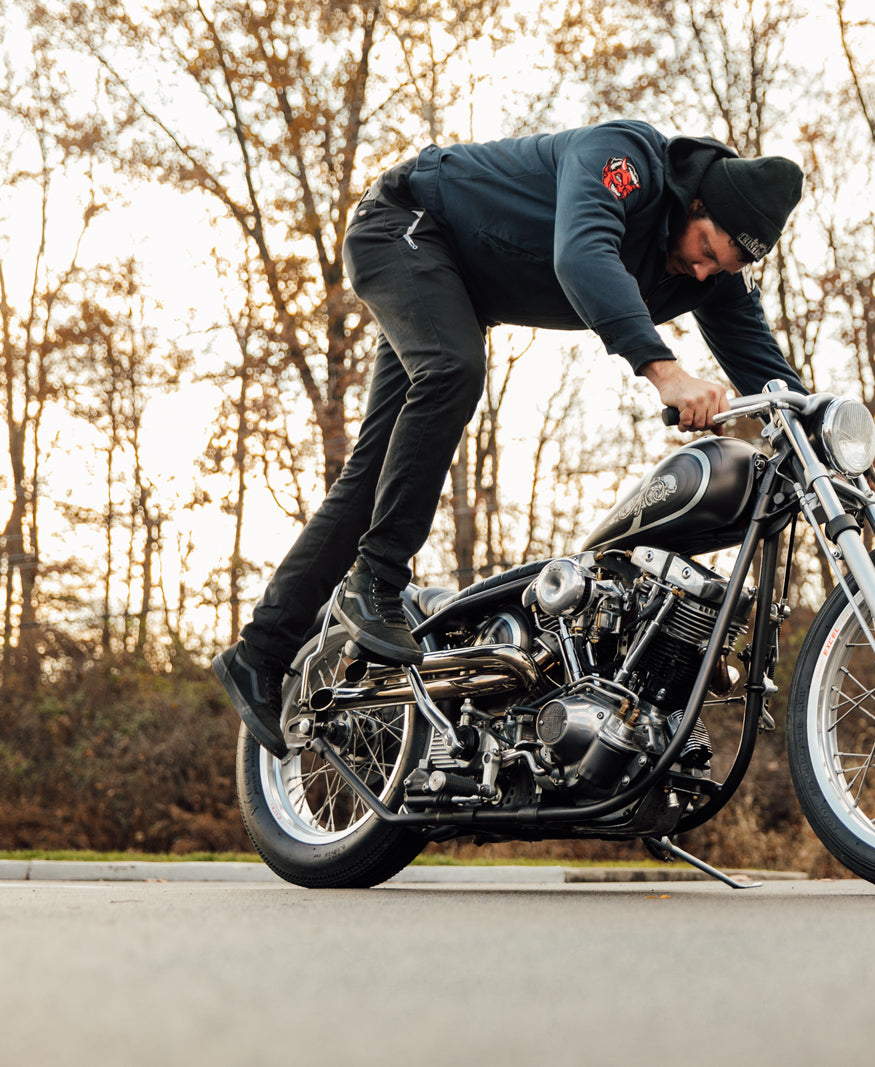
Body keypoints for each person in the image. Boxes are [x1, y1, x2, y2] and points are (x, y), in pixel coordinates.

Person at [212, 119, 806, 758]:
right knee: (453, 372)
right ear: (696, 204)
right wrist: (663, 369)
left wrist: (816, 432)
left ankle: (261, 654)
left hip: (452, 289)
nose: (701, 272)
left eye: (723, 267)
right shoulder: (625, 160)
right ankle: (375, 582)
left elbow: (763, 363)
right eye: (706, 249)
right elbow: (582, 253)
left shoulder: (711, 272)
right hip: (406, 226)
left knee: (374, 477)